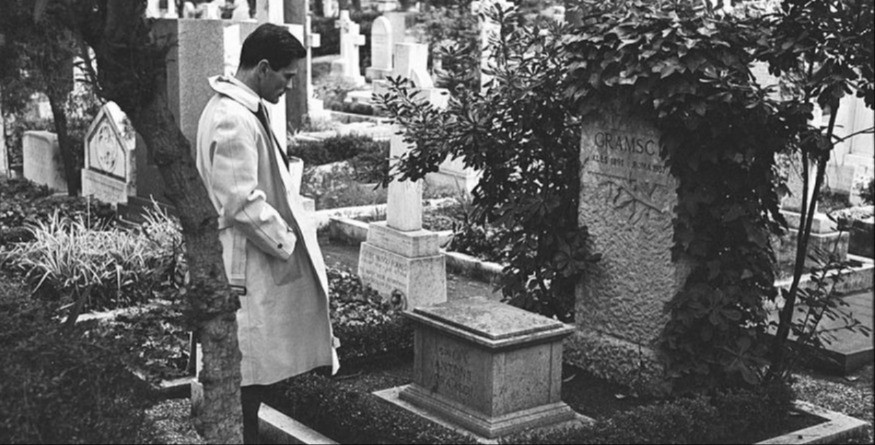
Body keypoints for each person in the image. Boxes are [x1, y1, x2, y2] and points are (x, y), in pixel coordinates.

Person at [195, 23, 339, 444]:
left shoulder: (241, 109)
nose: (289, 86)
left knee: (250, 381)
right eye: (286, 76)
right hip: (245, 264)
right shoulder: (232, 118)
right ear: (262, 68)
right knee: (245, 380)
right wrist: (288, 242)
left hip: (246, 258)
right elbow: (241, 202)